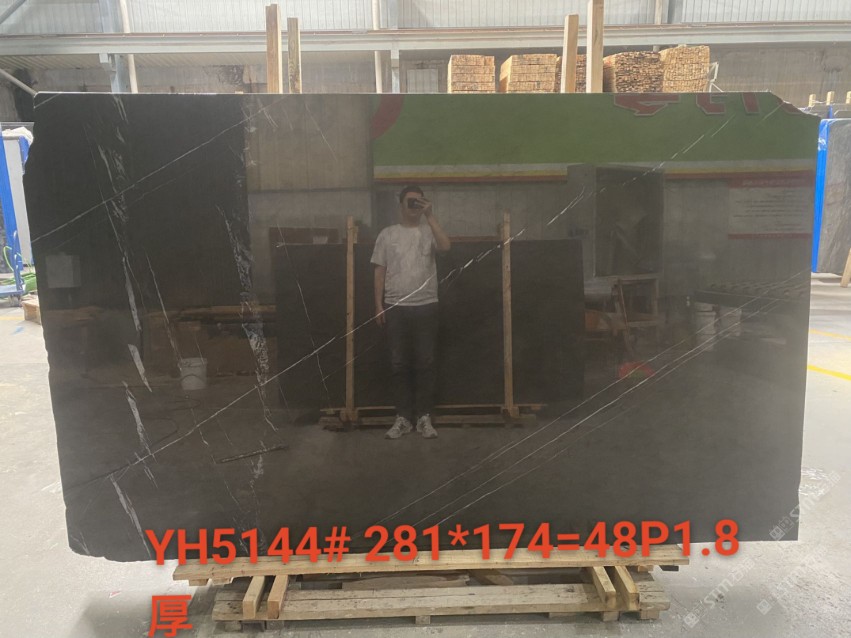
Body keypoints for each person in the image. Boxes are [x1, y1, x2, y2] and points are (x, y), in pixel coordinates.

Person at [371, 185, 452, 440]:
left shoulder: (429, 231)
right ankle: (403, 418)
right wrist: (378, 305)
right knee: (398, 363)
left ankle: (424, 418)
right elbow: (379, 271)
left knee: (426, 362)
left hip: (426, 305)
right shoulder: (387, 234)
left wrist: (430, 215)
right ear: (401, 205)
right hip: (395, 307)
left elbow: (446, 246)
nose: (415, 206)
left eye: (419, 201)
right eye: (410, 202)